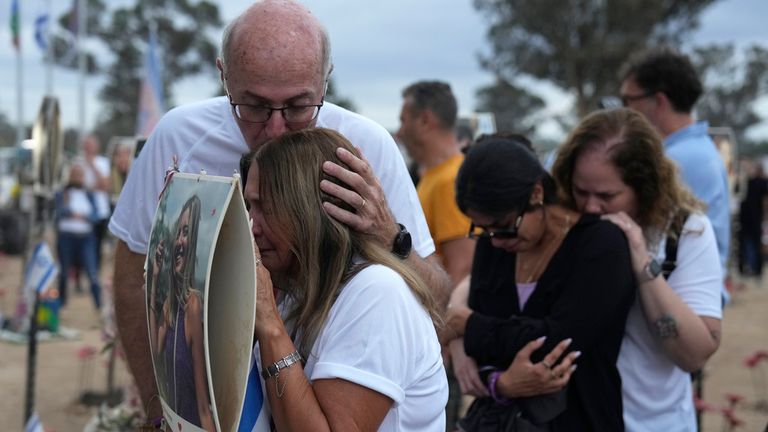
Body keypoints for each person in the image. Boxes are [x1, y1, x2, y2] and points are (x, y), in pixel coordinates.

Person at [108, 0, 451, 420]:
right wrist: (159, 409)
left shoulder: (367, 149)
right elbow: (134, 277)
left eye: (297, 107)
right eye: (252, 106)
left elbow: (433, 301)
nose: (274, 129)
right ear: (224, 77)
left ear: (324, 84)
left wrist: (389, 237)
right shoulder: (179, 137)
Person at [245, 128, 447, 431]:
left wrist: (269, 324)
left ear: (308, 213)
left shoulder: (378, 292)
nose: (251, 226)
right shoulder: (299, 289)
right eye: (249, 206)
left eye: (265, 208)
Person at [444, 134, 636, 431]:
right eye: (483, 230)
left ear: (536, 193)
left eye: (504, 227)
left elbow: (559, 343)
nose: (495, 241)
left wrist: (467, 326)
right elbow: (484, 356)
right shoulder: (493, 246)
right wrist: (502, 383)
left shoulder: (600, 246)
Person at [552, 108, 722, 431]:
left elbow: (695, 354)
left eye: (607, 196)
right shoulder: (561, 218)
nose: (590, 207)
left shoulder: (685, 231)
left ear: (645, 188)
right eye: (580, 191)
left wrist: (643, 265)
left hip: (655, 423)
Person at [619, 47, 731, 302]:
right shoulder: (699, 150)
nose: (624, 109)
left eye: (629, 100)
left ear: (658, 100)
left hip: (677, 299)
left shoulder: (673, 161)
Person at [396, 80, 476, 428]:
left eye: (404, 120)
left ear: (425, 120)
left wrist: (442, 340)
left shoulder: (448, 182)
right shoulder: (433, 178)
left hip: (441, 345)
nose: (399, 131)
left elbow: (461, 269)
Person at [147, 195, 214, 431]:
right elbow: (156, 350)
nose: (179, 241)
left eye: (187, 232)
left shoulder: (193, 305)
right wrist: (155, 278)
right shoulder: (170, 304)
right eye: (178, 232)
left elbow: (203, 402)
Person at [54, 164, 101, 309]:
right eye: (75, 174)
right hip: (67, 236)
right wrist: (72, 213)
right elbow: (58, 214)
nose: (78, 178)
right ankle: (61, 303)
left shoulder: (89, 194)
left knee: (92, 272)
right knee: (63, 272)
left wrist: (83, 216)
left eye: (80, 174)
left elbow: (96, 216)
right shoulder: (62, 193)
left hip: (85, 237)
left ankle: (99, 305)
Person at [78, 135, 112, 269]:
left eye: (91, 145)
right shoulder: (78, 163)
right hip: (82, 211)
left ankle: (95, 273)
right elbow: (77, 185)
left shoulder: (103, 162)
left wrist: (92, 165)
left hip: (100, 211)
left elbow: (105, 185)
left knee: (98, 244)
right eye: (87, 145)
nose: (89, 148)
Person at [738, 161, 768, 276]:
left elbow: (765, 201)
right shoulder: (750, 182)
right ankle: (752, 268)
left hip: (754, 219)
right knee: (750, 244)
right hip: (750, 219)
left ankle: (755, 268)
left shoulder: (759, 183)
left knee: (753, 244)